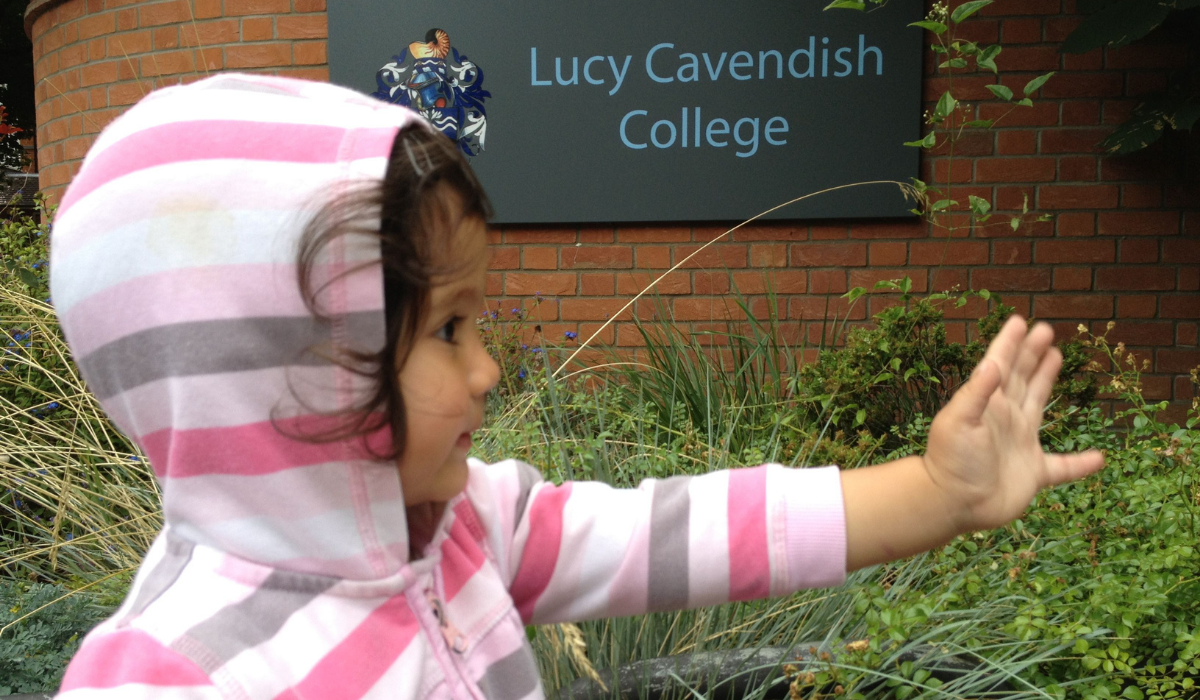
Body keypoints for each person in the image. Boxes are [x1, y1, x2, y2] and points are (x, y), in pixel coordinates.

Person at [48, 73, 1103, 700]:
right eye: (450, 328)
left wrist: (937, 490)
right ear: (290, 369)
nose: (488, 368)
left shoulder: (463, 528)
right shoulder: (166, 674)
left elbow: (684, 532)